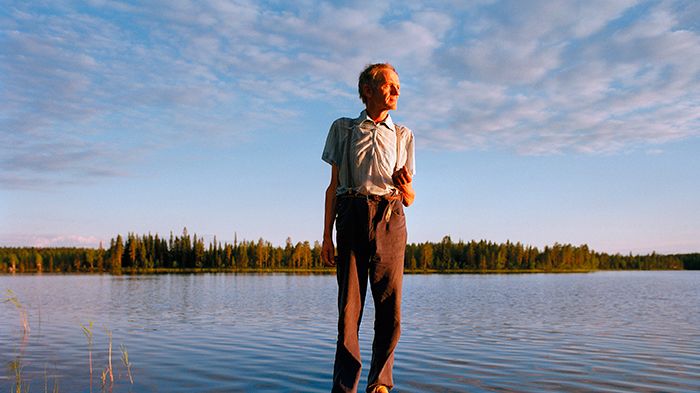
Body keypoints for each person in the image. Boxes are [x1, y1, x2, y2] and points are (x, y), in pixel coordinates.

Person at [321, 63, 415, 393]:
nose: (396, 91)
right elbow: (333, 186)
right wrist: (326, 237)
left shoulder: (403, 135)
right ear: (367, 91)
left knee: (390, 308)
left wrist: (405, 187)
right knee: (349, 310)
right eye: (389, 85)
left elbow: (411, 197)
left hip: (391, 216)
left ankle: (380, 384)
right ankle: (345, 386)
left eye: (398, 86)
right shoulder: (343, 129)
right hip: (351, 214)